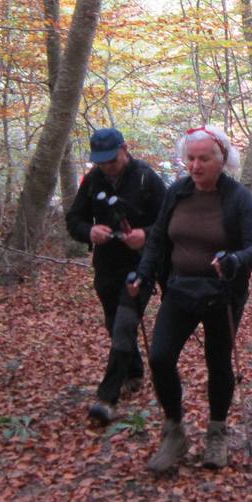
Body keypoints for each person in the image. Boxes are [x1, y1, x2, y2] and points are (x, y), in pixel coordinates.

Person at [129, 126, 252, 473]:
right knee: (160, 357)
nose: (195, 165)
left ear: (221, 159)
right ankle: (174, 431)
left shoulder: (238, 198)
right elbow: (159, 239)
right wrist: (143, 274)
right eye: (190, 158)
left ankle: (217, 433)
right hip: (180, 289)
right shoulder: (177, 192)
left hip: (222, 294)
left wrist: (236, 260)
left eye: (204, 158)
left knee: (218, 363)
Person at [65, 128, 166, 425]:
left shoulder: (148, 179)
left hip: (141, 264)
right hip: (106, 266)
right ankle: (133, 372)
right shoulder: (93, 179)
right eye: (101, 161)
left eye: (111, 159)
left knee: (124, 324)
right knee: (114, 323)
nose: (107, 166)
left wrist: (144, 235)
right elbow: (74, 219)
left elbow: (169, 221)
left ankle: (107, 398)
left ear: (124, 149)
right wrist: (89, 231)